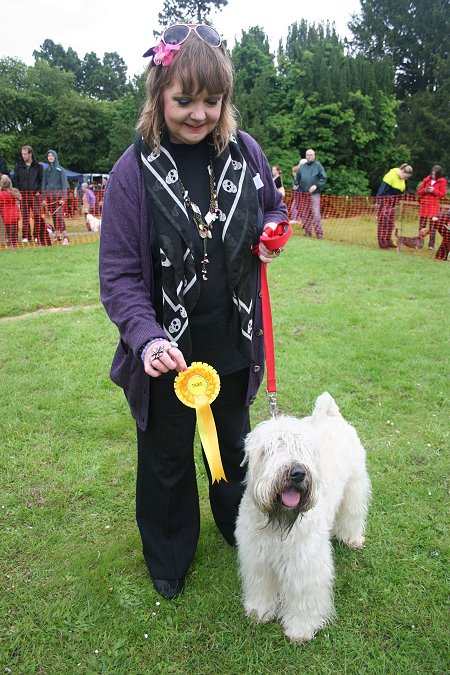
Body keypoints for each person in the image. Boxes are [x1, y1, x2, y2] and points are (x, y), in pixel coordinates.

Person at [99, 22, 288, 601]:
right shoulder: (134, 171)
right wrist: (147, 338)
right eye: (185, 100)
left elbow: (271, 208)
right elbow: (121, 276)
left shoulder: (245, 151)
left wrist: (273, 231)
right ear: (159, 93)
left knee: (233, 448)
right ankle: (169, 555)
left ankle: (240, 530)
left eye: (213, 100)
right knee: (166, 460)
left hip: (233, 344)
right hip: (167, 355)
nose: (199, 113)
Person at [12, 145, 45, 244]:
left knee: (37, 215)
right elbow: (15, 180)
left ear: (30, 154)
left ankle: (37, 235)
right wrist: (18, 193)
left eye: (25, 154)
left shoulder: (38, 166)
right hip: (23, 195)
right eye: (22, 154)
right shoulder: (18, 166)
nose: (23, 156)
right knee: (25, 216)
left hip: (35, 194)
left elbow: (41, 180)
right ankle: (26, 236)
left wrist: (39, 191)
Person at [376, 163, 413, 249]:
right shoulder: (390, 176)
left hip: (393, 204)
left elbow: (399, 192)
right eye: (406, 176)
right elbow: (381, 192)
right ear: (402, 171)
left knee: (390, 224)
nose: (406, 178)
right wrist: (381, 203)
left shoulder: (401, 179)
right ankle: (382, 243)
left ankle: (388, 241)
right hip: (384, 203)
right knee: (383, 223)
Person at [296, 149, 327, 239]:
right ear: (305, 156)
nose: (309, 156)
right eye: (308, 155)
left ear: (314, 156)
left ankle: (319, 234)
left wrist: (316, 186)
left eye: (311, 155)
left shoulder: (318, 166)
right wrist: (296, 184)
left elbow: (324, 178)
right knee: (305, 214)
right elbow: (297, 178)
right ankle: (308, 233)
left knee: (316, 213)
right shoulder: (302, 167)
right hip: (304, 194)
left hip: (315, 194)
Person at [41, 150, 69, 244]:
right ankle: (58, 236)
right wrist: (43, 198)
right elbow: (44, 184)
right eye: (49, 156)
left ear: (55, 157)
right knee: (54, 217)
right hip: (49, 198)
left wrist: (63, 198)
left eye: (52, 155)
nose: (50, 157)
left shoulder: (61, 170)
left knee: (59, 217)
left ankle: (66, 237)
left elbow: (64, 185)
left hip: (59, 198)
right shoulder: (46, 171)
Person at [417, 165, 447, 250]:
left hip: (434, 207)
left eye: (435, 175)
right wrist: (425, 190)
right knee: (421, 225)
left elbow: (442, 194)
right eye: (432, 174)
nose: (433, 176)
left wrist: (433, 190)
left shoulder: (442, 181)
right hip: (424, 205)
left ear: (438, 175)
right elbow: (419, 192)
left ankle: (431, 245)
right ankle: (419, 242)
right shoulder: (426, 180)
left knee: (433, 226)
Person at [0, 176, 21, 248]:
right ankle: (15, 244)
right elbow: (19, 198)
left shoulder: (1, 194)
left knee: (10, 231)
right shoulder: (14, 192)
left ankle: (12, 244)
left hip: (7, 215)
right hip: (15, 213)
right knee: (15, 230)